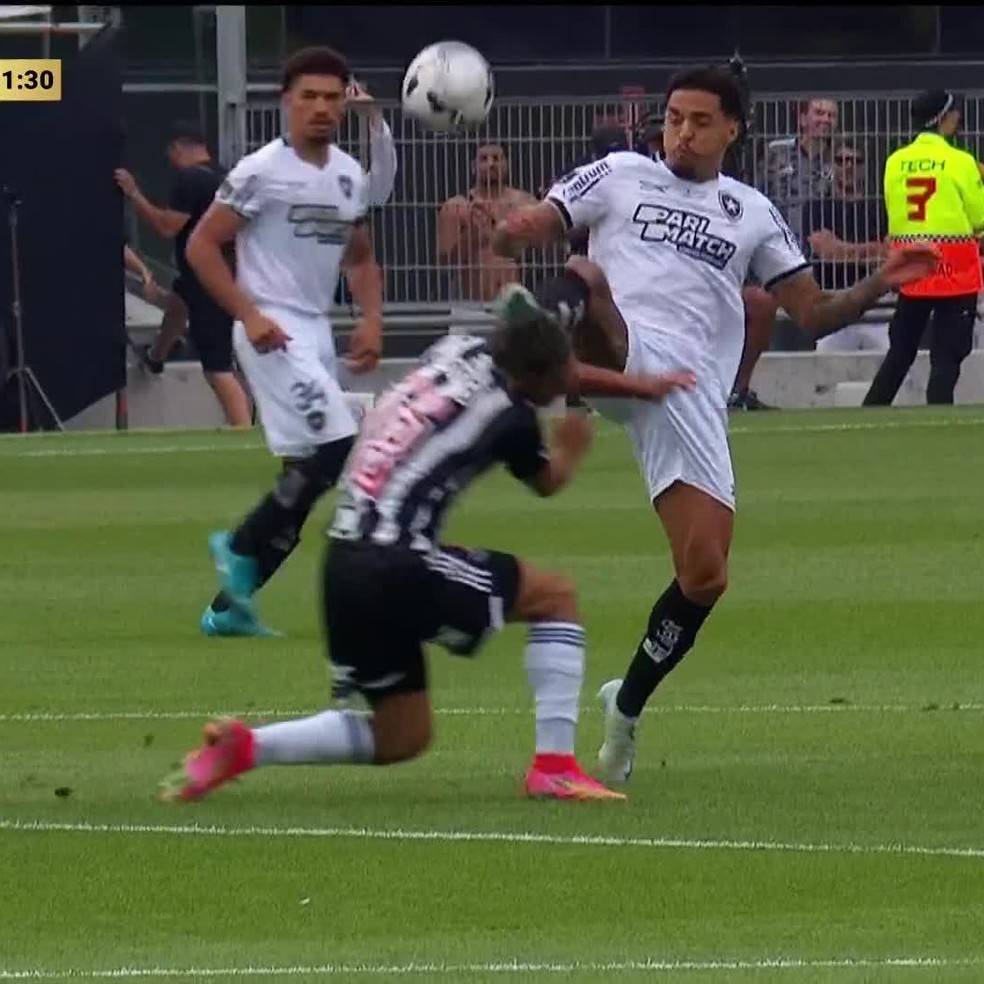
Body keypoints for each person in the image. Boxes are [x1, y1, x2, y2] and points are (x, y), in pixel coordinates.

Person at [490, 65, 939, 784]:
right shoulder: (619, 172)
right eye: (673, 117)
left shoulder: (751, 210)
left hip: (688, 389)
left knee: (705, 575)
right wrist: (515, 232)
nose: (682, 132)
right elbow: (543, 220)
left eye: (700, 121)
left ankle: (627, 705)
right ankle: (539, 333)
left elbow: (813, 313)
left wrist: (882, 281)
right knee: (592, 276)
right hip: (619, 350)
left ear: (734, 128)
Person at [158, 316, 693, 805]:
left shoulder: (457, 346)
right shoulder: (513, 416)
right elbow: (546, 481)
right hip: (397, 561)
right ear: (534, 376)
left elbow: (535, 348)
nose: (571, 382)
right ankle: (554, 767)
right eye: (563, 375)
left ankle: (246, 748)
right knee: (554, 597)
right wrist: (573, 448)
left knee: (402, 735)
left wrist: (643, 385)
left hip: (342, 561)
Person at [185, 46, 384, 639]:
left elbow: (361, 255)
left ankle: (228, 607)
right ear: (287, 103)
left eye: (331, 97)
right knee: (339, 445)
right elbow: (201, 245)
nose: (320, 108)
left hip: (316, 333)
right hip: (272, 329)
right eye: (309, 97)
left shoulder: (349, 176)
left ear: (344, 104)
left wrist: (371, 316)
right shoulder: (259, 171)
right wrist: (248, 314)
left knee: (306, 480)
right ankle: (239, 544)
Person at [115, 123, 251, 427]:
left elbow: (167, 226)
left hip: (210, 280)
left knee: (216, 368)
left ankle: (243, 432)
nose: (170, 160)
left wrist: (134, 195)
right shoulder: (223, 177)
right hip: (211, 276)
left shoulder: (191, 180)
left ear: (181, 146)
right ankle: (158, 354)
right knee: (177, 303)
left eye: (171, 152)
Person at [863, 90, 984, 406]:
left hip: (911, 267)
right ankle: (937, 416)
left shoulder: (895, 161)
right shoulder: (960, 161)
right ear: (945, 118)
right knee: (946, 357)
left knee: (900, 352)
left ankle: (871, 410)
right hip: (955, 271)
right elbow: (979, 217)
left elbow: (894, 213)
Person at [802, 136, 890, 353]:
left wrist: (841, 249)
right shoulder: (816, 207)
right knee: (825, 378)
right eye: (841, 160)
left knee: (891, 373)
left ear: (864, 166)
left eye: (855, 161)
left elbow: (889, 255)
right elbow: (824, 251)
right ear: (832, 165)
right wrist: (869, 252)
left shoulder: (880, 207)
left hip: (877, 308)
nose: (848, 166)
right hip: (833, 305)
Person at [437, 144, 537, 302]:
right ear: (473, 166)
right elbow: (443, 264)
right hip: (469, 309)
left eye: (497, 159)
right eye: (484, 159)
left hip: (515, 306)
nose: (491, 164)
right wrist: (471, 238)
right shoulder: (457, 207)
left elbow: (548, 251)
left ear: (506, 164)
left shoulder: (525, 203)